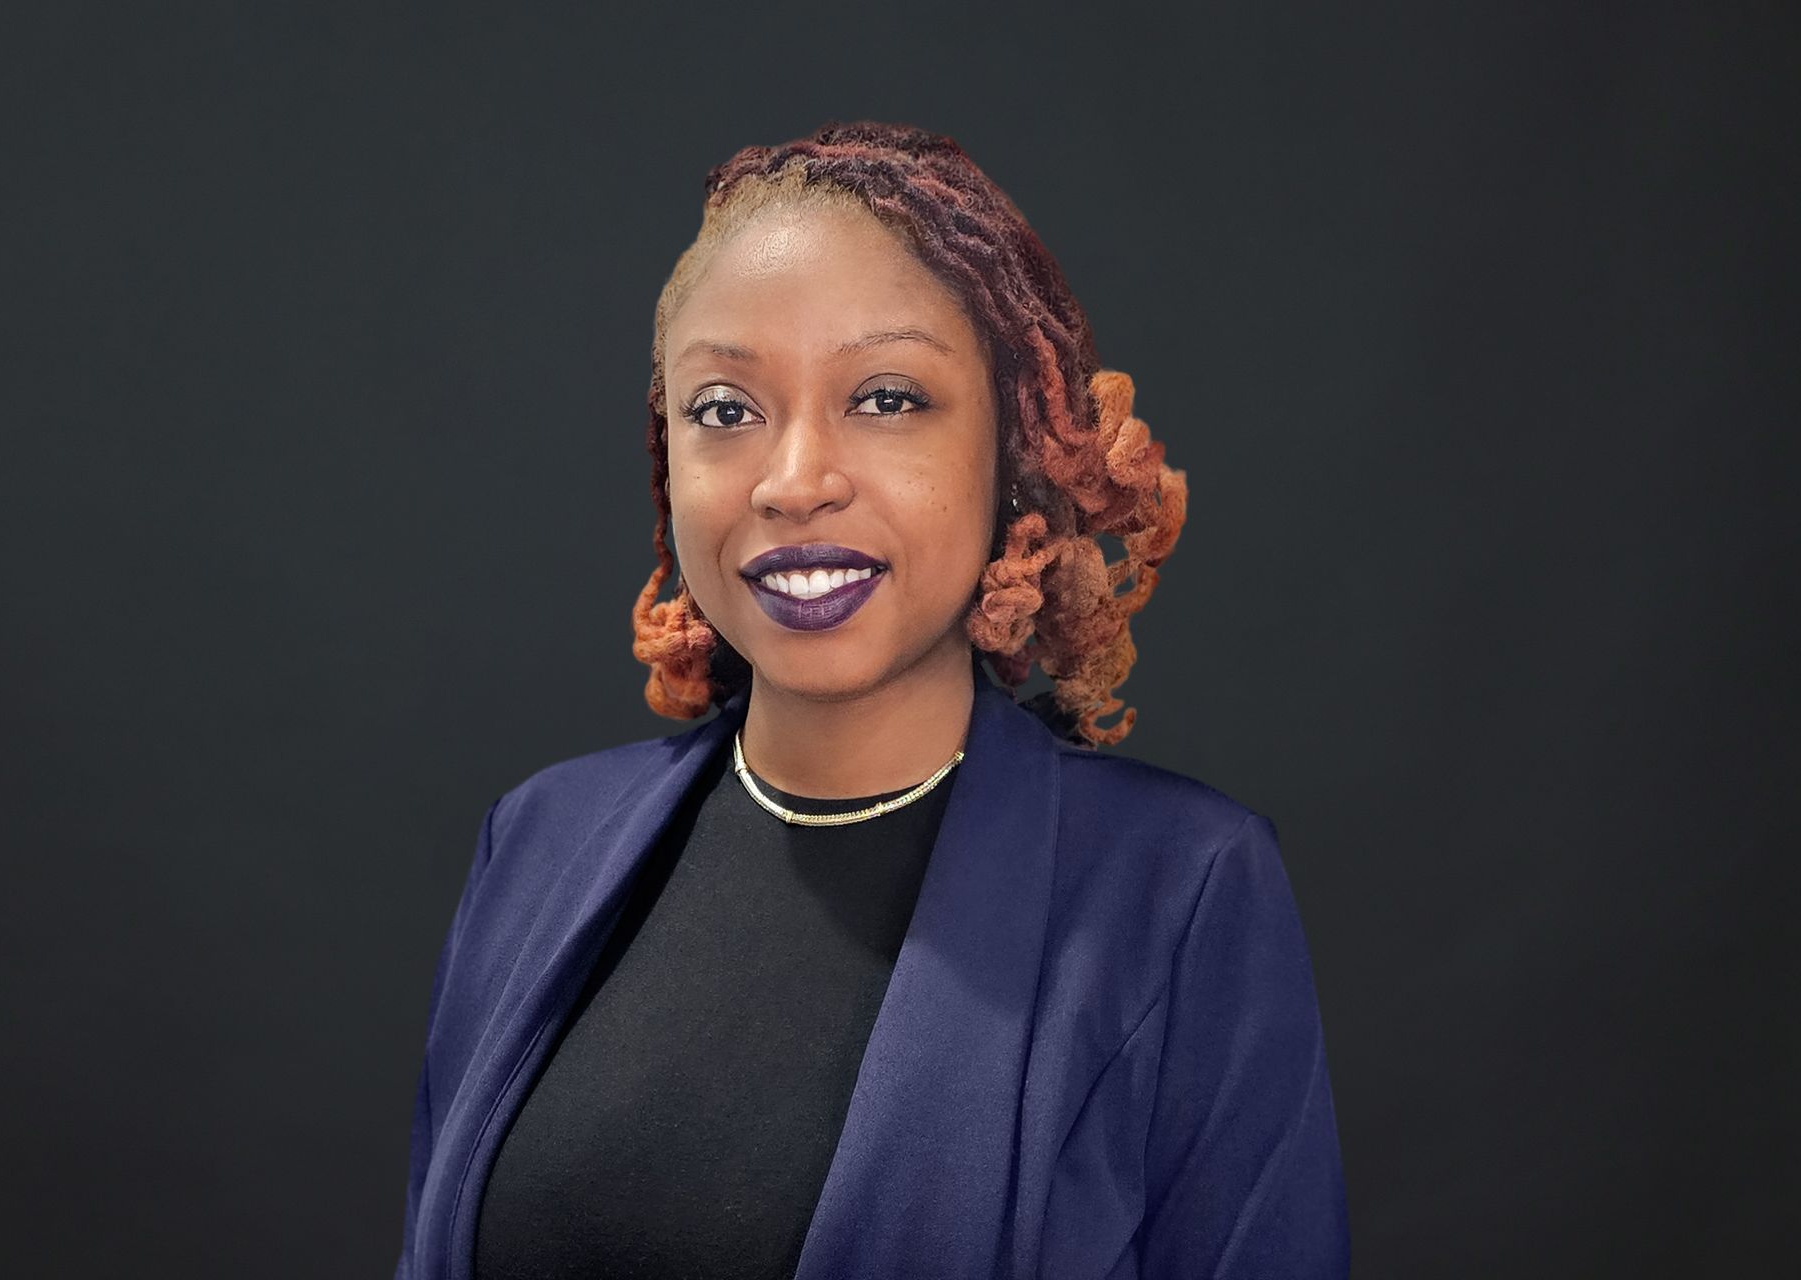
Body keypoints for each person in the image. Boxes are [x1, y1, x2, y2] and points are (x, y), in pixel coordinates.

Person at [394, 120, 1349, 1280]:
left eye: (888, 396)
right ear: (668, 459)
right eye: (726, 409)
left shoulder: (1183, 892)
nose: (796, 480)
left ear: (1014, 453)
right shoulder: (535, 845)